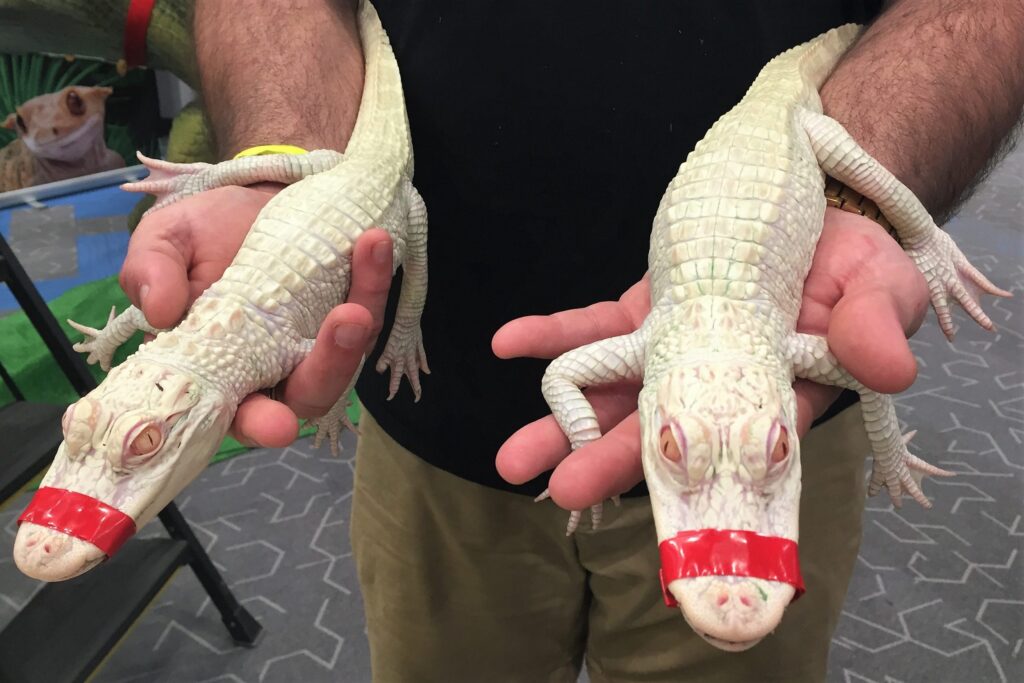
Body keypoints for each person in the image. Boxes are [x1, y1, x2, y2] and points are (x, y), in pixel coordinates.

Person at [119, 1, 1023, 681]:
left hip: (797, 362)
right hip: (431, 398)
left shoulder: (773, 371)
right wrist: (294, 173)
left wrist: (866, 206)